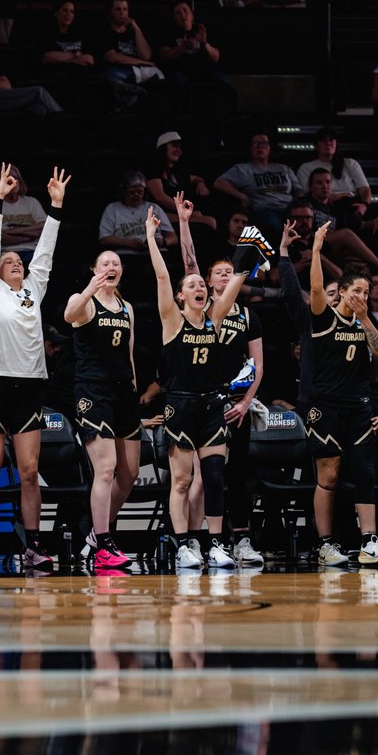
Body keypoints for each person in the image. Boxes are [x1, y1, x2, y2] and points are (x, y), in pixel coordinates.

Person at [0, 163, 70, 572]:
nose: (15, 262)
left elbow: (45, 249)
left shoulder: (33, 288)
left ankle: (33, 545)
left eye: (19, 260)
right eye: (8, 259)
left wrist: (56, 206)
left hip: (30, 385)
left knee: (30, 472)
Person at [146, 203, 248, 571]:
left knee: (215, 477)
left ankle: (216, 544)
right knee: (182, 480)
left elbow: (235, 283)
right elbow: (161, 278)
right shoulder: (172, 320)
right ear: (181, 296)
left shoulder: (214, 318)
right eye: (192, 285)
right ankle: (184, 544)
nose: (199, 287)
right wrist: (150, 237)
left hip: (211, 404)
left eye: (202, 285)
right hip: (180, 404)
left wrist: (248, 253)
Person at [306, 221, 378, 567]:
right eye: (357, 291)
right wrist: (316, 250)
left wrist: (366, 320)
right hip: (326, 406)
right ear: (343, 292)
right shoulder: (323, 318)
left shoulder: (364, 323)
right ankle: (326, 545)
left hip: (358, 405)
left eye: (366, 291)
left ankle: (369, 541)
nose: (362, 296)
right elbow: (316, 288)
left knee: (366, 472)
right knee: (328, 474)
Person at [176, 198, 265, 566]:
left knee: (237, 473)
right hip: (203, 400)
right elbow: (188, 264)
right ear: (209, 282)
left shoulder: (247, 315)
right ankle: (198, 541)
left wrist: (245, 402)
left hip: (236, 405)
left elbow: (258, 365)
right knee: (201, 477)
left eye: (233, 272)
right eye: (220, 273)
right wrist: (183, 223)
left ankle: (240, 540)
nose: (227, 277)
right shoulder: (203, 310)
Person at [64, 250, 140, 569]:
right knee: (106, 468)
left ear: (121, 271)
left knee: (129, 473)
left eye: (116, 264)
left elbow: (130, 355)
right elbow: (68, 315)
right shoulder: (85, 301)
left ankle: (96, 532)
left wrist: (134, 387)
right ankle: (104, 544)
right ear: (95, 269)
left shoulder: (127, 308)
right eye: (105, 263)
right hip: (92, 392)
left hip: (123, 392)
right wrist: (90, 288)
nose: (111, 267)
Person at [213, 128, 298, 245]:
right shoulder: (243, 169)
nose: (259, 147)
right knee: (276, 227)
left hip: (290, 209)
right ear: (250, 148)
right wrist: (241, 196)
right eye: (255, 143)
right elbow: (219, 183)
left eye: (263, 143)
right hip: (265, 210)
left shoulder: (283, 168)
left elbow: (300, 190)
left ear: (269, 147)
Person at [147, 131, 215, 233]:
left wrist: (200, 183)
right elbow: (160, 197)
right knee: (209, 222)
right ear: (163, 148)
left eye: (179, 147)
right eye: (174, 146)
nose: (178, 150)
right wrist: (186, 211)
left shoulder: (177, 173)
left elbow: (194, 178)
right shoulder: (153, 170)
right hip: (161, 215)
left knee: (211, 220)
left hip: (177, 214)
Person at [294, 127, 373, 210]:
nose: (328, 143)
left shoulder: (350, 163)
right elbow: (305, 194)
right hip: (322, 205)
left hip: (351, 203)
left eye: (331, 140)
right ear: (316, 146)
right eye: (324, 140)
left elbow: (364, 189)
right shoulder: (306, 168)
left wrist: (364, 205)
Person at [99, 170, 176, 253]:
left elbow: (173, 237)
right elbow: (104, 239)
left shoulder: (154, 208)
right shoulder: (113, 209)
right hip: (126, 255)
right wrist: (129, 243)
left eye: (140, 192)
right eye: (132, 192)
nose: (136, 195)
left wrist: (162, 242)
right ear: (124, 191)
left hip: (155, 254)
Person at [0, 166, 46, 261]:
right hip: (4, 253)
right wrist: (30, 235)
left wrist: (12, 231)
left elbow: (44, 228)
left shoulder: (32, 202)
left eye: (15, 177)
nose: (13, 181)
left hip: (32, 252)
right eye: (8, 178)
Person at [155, 1, 223, 86]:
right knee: (176, 79)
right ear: (173, 18)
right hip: (180, 72)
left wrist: (204, 42)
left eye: (185, 10)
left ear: (192, 15)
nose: (183, 15)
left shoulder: (201, 30)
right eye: (178, 13)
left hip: (203, 70)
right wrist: (183, 47)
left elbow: (216, 58)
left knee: (222, 79)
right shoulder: (168, 33)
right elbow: (164, 56)